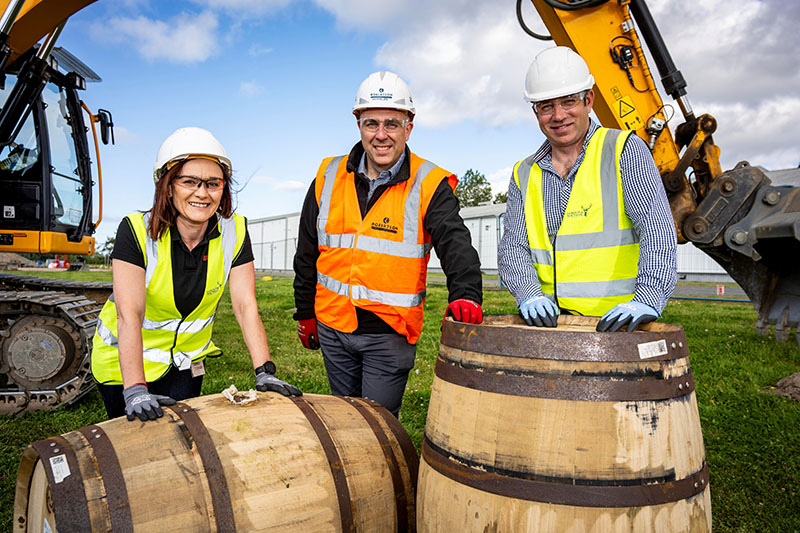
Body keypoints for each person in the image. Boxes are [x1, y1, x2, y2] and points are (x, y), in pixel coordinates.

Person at [293, 71, 483, 417]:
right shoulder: (328, 175)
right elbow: (307, 249)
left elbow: (455, 242)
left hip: (389, 334)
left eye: (392, 124)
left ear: (409, 127)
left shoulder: (429, 183)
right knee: (344, 419)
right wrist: (305, 312)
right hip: (334, 326)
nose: (381, 135)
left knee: (378, 427)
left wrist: (466, 293)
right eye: (371, 124)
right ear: (358, 124)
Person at [92, 127, 300, 422]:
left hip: (184, 365)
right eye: (189, 181)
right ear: (168, 185)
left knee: (182, 442)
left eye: (212, 183)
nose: (202, 193)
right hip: (122, 367)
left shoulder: (234, 231)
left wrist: (264, 371)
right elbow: (130, 314)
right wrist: (135, 389)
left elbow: (245, 306)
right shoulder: (136, 230)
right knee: (136, 451)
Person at [498, 46, 677, 332]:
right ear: (536, 112)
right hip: (550, 327)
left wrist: (648, 298)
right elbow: (513, 246)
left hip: (617, 325)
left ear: (588, 100)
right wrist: (528, 293)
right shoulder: (524, 172)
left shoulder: (623, 151)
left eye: (568, 102)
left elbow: (655, 228)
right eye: (546, 106)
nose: (558, 116)